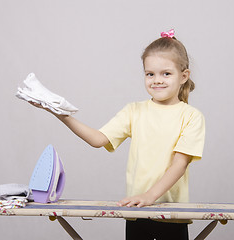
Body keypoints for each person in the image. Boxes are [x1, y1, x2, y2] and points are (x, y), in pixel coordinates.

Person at [28, 29, 205, 240]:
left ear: (183, 76)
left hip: (171, 214)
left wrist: (149, 196)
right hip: (135, 212)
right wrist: (57, 112)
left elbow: (180, 164)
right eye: (150, 74)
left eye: (166, 73)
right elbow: (98, 139)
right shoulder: (134, 111)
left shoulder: (191, 117)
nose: (157, 80)